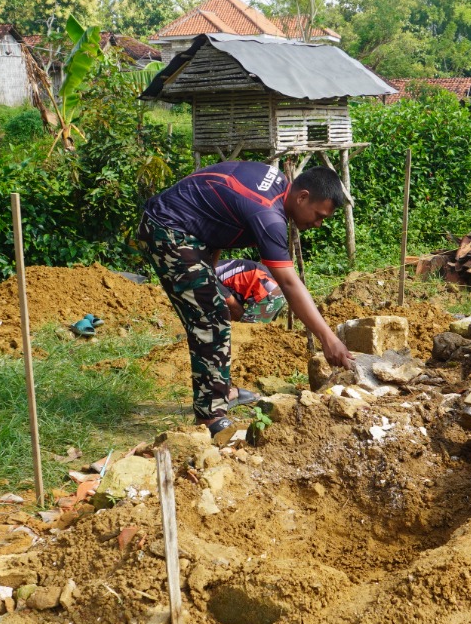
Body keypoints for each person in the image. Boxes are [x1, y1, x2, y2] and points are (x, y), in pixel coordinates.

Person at [138, 162, 354, 434]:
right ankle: (209, 417)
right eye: (319, 215)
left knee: (213, 311)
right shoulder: (268, 215)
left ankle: (221, 391)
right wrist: (328, 338)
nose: (318, 224)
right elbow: (288, 283)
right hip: (168, 229)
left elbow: (212, 211)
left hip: (184, 228)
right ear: (302, 197)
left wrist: (210, 275)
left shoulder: (275, 184)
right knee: (211, 319)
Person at [215, 258, 286, 323]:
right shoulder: (213, 268)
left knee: (246, 330)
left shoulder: (210, 278)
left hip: (268, 292)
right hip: (276, 289)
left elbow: (235, 309)